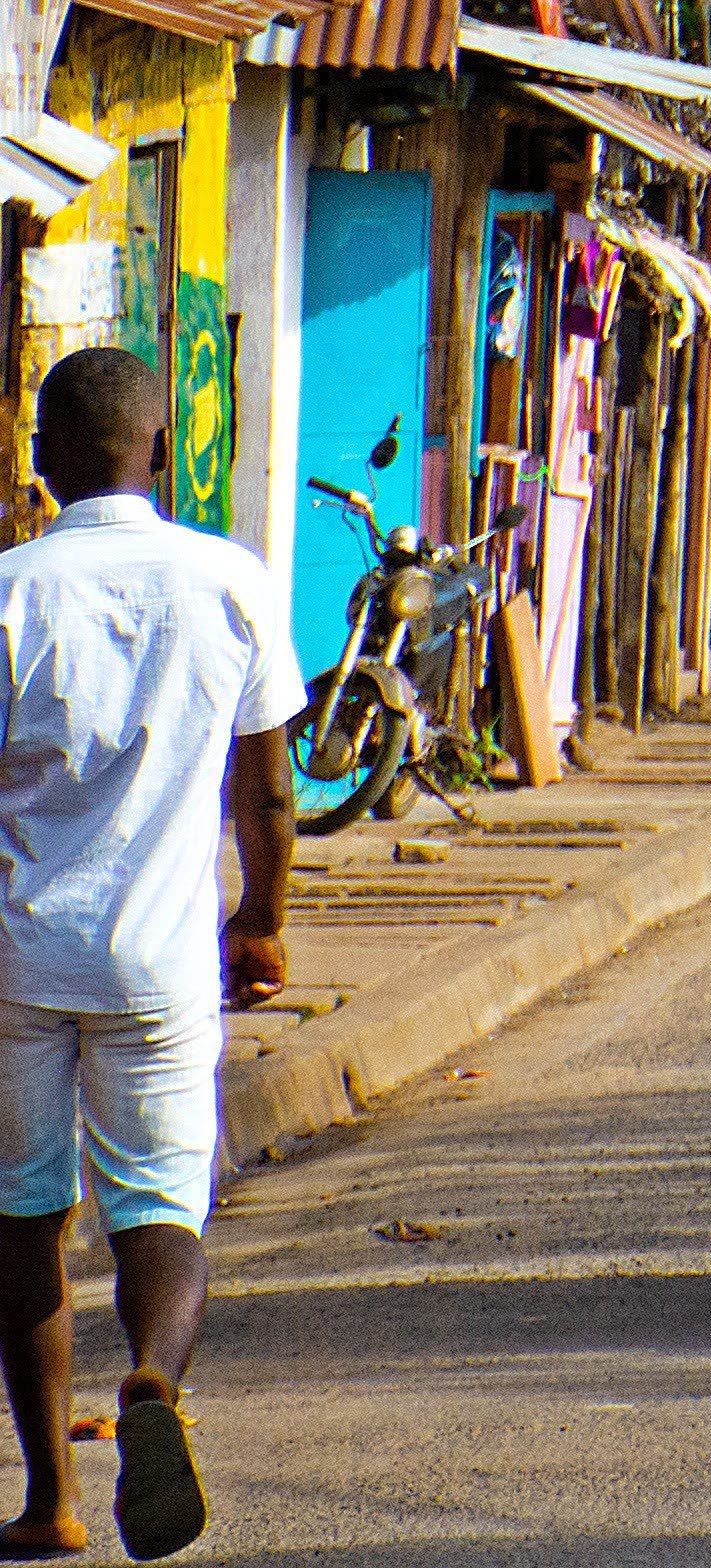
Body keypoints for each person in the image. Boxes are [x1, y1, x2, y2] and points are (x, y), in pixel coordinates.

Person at [0, 347, 300, 1562]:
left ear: (38, 461)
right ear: (166, 453)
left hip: (19, 962)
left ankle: (50, 1501)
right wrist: (262, 916)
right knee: (161, 1206)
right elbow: (270, 789)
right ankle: (154, 1388)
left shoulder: (11, 591)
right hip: (164, 963)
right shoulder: (229, 581)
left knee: (22, 1216)